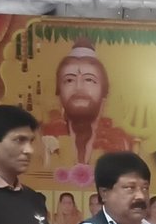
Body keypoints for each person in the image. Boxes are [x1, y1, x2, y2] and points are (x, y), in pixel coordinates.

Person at [37, 39, 133, 174]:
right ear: (58, 92)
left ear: (104, 91)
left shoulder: (121, 143)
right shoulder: (42, 140)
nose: (79, 88)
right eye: (69, 80)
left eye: (89, 79)